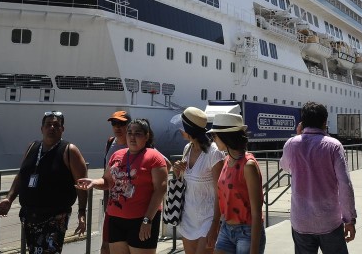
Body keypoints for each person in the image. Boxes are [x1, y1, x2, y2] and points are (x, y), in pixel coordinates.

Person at [0, 111, 88, 254]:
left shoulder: (69, 151)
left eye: (56, 125)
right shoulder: (32, 147)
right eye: (48, 125)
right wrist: (9, 198)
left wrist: (82, 213)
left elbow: (82, 185)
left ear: (62, 129)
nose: (52, 127)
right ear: (42, 128)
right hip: (29, 216)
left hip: (55, 218)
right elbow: (21, 175)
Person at [77, 119, 168, 254]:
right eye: (129, 133)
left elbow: (160, 190)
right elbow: (107, 181)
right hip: (116, 219)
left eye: (137, 134)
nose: (132, 137)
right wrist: (94, 182)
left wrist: (147, 220)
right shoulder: (116, 155)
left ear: (146, 136)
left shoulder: (154, 157)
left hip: (141, 219)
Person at [281, 102, 357, 253]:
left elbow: (284, 166)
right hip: (329, 221)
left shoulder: (291, 144)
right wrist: (350, 219)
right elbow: (345, 184)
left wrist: (298, 136)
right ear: (325, 123)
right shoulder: (334, 146)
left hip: (301, 222)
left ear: (302, 123)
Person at [208, 113, 265, 254]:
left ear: (226, 137)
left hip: (247, 231)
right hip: (226, 228)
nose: (213, 140)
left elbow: (257, 212)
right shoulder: (227, 160)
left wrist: (254, 250)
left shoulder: (248, 165)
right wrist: (215, 225)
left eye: (214, 136)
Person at [171, 107, 225, 254]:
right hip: (187, 217)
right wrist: (177, 171)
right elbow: (184, 182)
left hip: (208, 218)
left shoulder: (214, 154)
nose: (179, 130)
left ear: (189, 130)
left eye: (182, 127)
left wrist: (215, 225)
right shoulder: (187, 148)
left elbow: (220, 192)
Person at [86, 110, 131, 252]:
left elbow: (164, 164)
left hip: (132, 203)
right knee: (106, 247)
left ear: (129, 125)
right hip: (112, 202)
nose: (117, 127)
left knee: (127, 247)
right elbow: (106, 175)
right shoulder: (110, 142)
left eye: (121, 123)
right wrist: (94, 182)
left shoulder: (137, 144)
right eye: (114, 123)